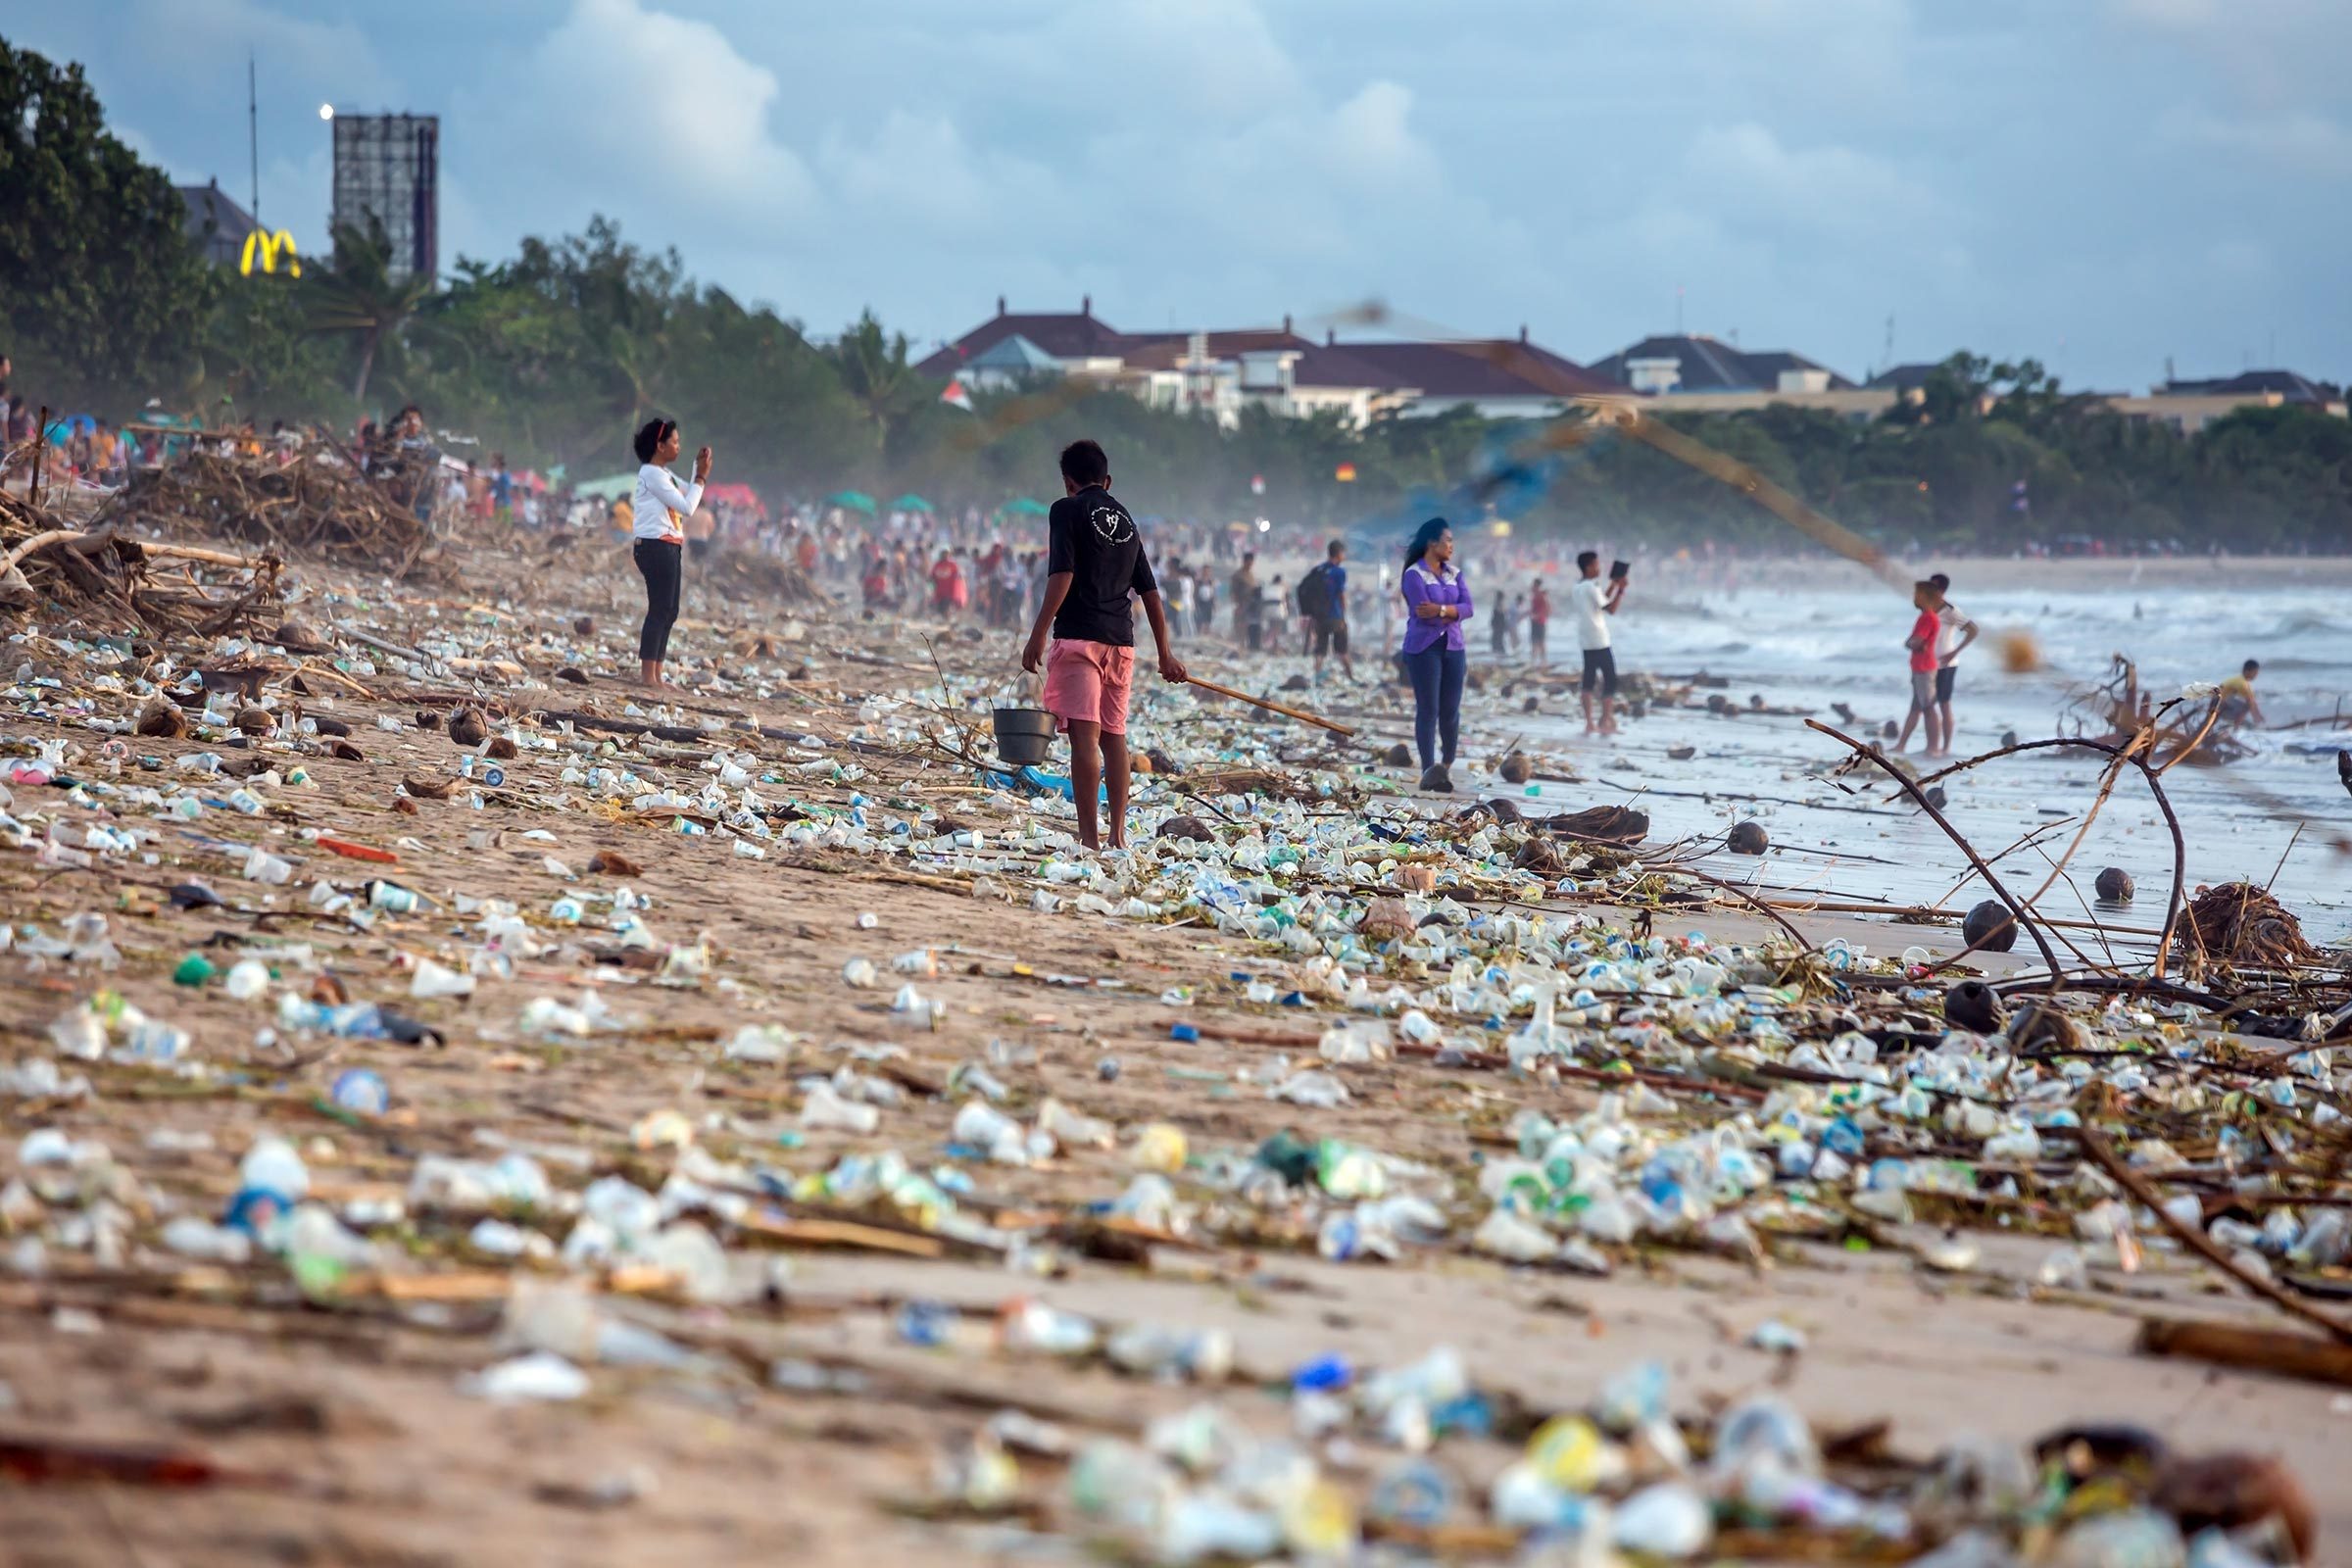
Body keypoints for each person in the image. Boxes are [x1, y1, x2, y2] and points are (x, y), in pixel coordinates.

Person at [1018, 438, 1187, 851]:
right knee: (1115, 737)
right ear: (1107, 481)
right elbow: (1150, 592)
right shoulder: (1126, 520)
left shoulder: (1066, 509)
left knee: (1084, 738)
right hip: (1121, 644)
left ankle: (1089, 838)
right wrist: (1165, 653)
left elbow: (1062, 574)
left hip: (1080, 639)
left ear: (1068, 482)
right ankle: (1117, 835)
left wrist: (1038, 631)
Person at [629, 416, 710, 687]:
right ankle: (647, 675)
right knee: (659, 609)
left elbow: (688, 492)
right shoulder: (651, 473)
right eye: (674, 442)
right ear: (659, 446)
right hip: (655, 545)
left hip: (669, 545)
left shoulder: (663, 475)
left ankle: (656, 674)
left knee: (670, 609)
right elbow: (687, 507)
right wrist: (700, 476)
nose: (678, 446)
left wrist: (698, 471)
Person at [1399, 517, 1473, 792]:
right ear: (1432, 543)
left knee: (1450, 710)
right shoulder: (1413, 575)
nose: (1451, 546)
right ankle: (1428, 768)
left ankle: (1447, 763)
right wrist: (1453, 611)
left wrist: (1443, 610)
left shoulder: (1455, 573)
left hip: (1454, 647)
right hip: (1423, 648)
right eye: (1448, 540)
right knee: (1428, 709)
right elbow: (1423, 612)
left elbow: (1469, 607)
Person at [1572, 552, 1627, 734]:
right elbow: (1610, 609)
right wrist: (1621, 590)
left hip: (1586, 639)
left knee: (1588, 681)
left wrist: (1613, 585)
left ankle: (1589, 722)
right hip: (1599, 638)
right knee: (1610, 679)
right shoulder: (1591, 587)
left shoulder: (1579, 587)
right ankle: (1606, 720)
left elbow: (1600, 600)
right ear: (1588, 567)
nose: (1599, 568)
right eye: (1596, 565)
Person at [1928, 571, 1978, 755]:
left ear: (1941, 590)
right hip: (1930, 664)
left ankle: (1946, 747)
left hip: (1947, 664)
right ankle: (1933, 746)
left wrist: (1954, 652)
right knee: (1929, 705)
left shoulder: (1950, 610)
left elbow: (1972, 630)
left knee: (1944, 704)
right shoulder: (1929, 608)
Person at [1894, 580, 1944, 754]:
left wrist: (1911, 642)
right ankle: (1901, 745)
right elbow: (1914, 641)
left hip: (1925, 667)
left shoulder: (1928, 618)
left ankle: (1933, 747)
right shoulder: (1925, 617)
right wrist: (1911, 642)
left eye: (1917, 595)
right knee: (1915, 708)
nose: (1914, 598)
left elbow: (1916, 641)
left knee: (1928, 707)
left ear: (1925, 597)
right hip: (1919, 666)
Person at [1298, 537, 1353, 679]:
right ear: (1339, 553)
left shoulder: (1319, 570)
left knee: (1320, 649)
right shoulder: (1339, 572)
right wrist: (1344, 615)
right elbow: (1341, 595)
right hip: (1335, 615)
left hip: (1319, 617)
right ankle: (1350, 677)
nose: (1344, 556)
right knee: (1342, 649)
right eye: (1343, 553)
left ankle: (1316, 675)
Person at [2219, 659, 2267, 726]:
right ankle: (2236, 727)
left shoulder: (2241, 680)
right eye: (2255, 673)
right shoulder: (2242, 683)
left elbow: (2253, 701)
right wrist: (2257, 719)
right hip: (2219, 705)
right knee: (2247, 705)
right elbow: (2250, 703)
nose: (2256, 675)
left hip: (2220, 702)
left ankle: (2238, 723)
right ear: (2247, 671)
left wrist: (2259, 716)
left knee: (2245, 703)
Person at [1231, 552, 1261, 650]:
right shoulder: (1238, 575)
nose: (1250, 565)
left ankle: (1249, 646)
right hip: (1242, 603)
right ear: (1244, 562)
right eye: (1248, 562)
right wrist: (1238, 605)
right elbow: (1233, 591)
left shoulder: (1251, 575)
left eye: (1251, 563)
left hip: (1252, 605)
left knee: (1250, 626)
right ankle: (1241, 645)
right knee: (1241, 626)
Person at [1528, 579, 1551, 666]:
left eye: (1533, 585)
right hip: (1535, 622)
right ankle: (1533, 663)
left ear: (1537, 586)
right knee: (1534, 642)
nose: (1532, 587)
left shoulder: (1542, 596)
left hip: (1540, 622)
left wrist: (1538, 615)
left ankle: (1543, 662)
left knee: (1541, 643)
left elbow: (1547, 609)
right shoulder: (1534, 595)